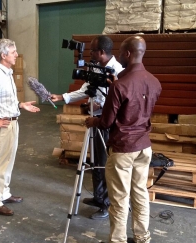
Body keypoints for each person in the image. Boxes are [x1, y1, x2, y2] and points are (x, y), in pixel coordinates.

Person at [85, 36, 161, 243]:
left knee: (118, 198)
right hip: (144, 146)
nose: (118, 56)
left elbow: (106, 122)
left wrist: (93, 120)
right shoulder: (154, 82)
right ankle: (142, 237)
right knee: (140, 193)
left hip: (123, 148)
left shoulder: (119, 87)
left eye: (120, 52)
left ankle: (117, 240)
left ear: (128, 54)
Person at [51, 35, 123, 219]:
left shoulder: (117, 72)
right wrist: (62, 97)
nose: (90, 54)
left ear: (101, 52)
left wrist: (102, 106)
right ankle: (98, 197)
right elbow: (85, 89)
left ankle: (107, 204)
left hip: (106, 123)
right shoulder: (96, 67)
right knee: (96, 161)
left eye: (93, 51)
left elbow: (119, 100)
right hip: (95, 120)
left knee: (106, 163)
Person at [0, 39, 40, 216]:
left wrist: (21, 105)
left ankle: (3, 193)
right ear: (3, 55)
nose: (16, 55)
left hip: (12, 122)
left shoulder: (7, 73)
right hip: (3, 125)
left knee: (8, 162)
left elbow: (3, 99)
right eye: (13, 52)